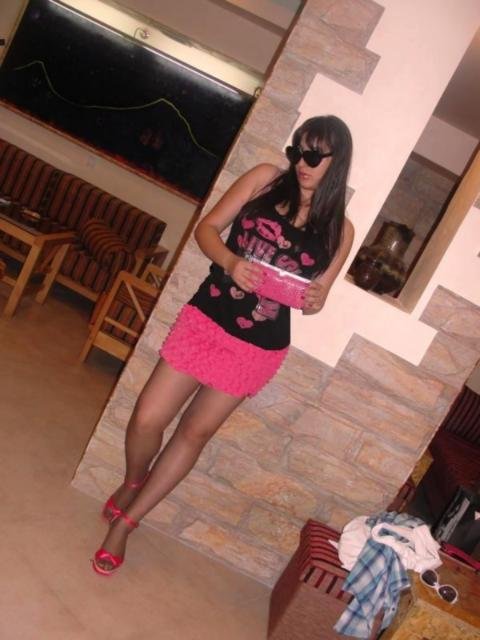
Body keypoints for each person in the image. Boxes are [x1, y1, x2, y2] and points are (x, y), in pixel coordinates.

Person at [92, 114, 355, 575]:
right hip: (207, 318)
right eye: (299, 150)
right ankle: (134, 482)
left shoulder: (340, 230)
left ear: (338, 161)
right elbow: (206, 229)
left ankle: (127, 524)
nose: (302, 162)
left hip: (257, 345)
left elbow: (316, 299)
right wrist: (232, 263)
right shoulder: (264, 179)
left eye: (315, 155)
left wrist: (316, 299)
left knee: (193, 434)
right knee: (148, 417)